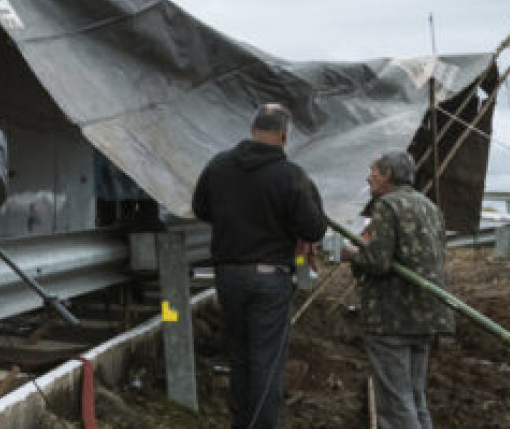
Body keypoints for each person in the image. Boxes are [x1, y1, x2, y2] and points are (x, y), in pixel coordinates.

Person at [192, 103, 326, 429]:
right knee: (266, 361)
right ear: (284, 136)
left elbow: (200, 208)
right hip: (270, 279)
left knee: (239, 357)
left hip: (229, 276)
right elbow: (313, 229)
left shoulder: (219, 166)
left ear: (252, 130)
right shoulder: (291, 175)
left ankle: (242, 424)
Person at [343, 151, 453, 429]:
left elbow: (377, 262)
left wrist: (351, 253)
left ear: (388, 175)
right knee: (416, 398)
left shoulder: (386, 206)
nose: (369, 177)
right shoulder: (429, 206)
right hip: (427, 314)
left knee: (395, 404)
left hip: (392, 317)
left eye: (374, 171)